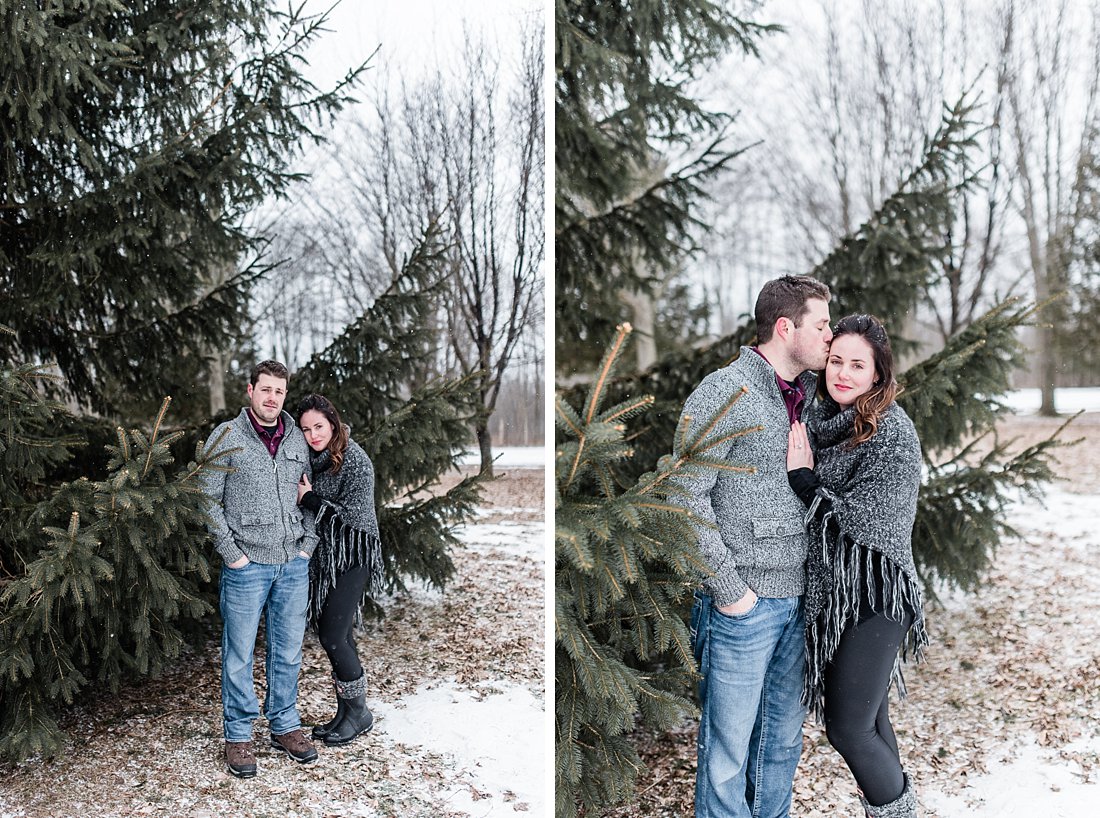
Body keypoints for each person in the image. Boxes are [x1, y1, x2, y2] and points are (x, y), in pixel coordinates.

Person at [675, 275, 833, 818]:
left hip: (798, 600)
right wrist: (730, 592)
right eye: (822, 325)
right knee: (727, 754)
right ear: (786, 328)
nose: (830, 337)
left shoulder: (810, 398)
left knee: (782, 746)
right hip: (743, 607)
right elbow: (684, 496)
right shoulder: (724, 392)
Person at [786, 314, 927, 817]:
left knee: (848, 728)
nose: (843, 373)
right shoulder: (823, 421)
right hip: (840, 599)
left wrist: (805, 481)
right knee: (871, 723)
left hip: (878, 596)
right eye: (836, 360)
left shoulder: (891, 432)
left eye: (857, 365)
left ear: (877, 373)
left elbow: (868, 522)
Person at [202, 360, 319, 778]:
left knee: (287, 652)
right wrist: (232, 553)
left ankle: (285, 726)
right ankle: (238, 735)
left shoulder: (297, 438)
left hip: (292, 564)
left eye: (280, 391)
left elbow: (309, 492)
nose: (272, 398)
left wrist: (308, 545)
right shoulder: (227, 437)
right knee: (239, 655)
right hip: (246, 566)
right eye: (265, 389)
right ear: (250, 390)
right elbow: (206, 498)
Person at [295, 394, 383, 746]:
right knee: (338, 635)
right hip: (326, 559)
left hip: (354, 556)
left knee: (333, 635)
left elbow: (354, 520)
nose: (313, 435)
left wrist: (311, 500)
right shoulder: (311, 461)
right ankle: (347, 712)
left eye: (318, 426)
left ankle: (359, 713)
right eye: (305, 429)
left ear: (332, 422)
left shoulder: (354, 459)